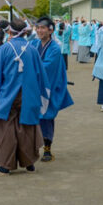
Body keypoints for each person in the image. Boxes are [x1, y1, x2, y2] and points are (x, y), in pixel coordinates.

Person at [0, 18, 50, 174]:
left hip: (8, 95)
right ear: (25, 32)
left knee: (6, 128)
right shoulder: (32, 50)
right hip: (30, 94)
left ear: (9, 32)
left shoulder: (4, 49)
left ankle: (5, 165)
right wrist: (42, 99)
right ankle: (29, 162)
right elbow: (41, 76)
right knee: (27, 127)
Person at [32, 16, 74, 162]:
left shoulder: (55, 48)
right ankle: (33, 147)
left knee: (46, 117)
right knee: (34, 116)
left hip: (49, 87)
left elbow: (47, 67)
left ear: (50, 30)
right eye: (37, 27)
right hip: (36, 86)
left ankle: (47, 149)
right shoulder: (34, 43)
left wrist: (29, 70)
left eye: (42, 28)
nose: (39, 30)